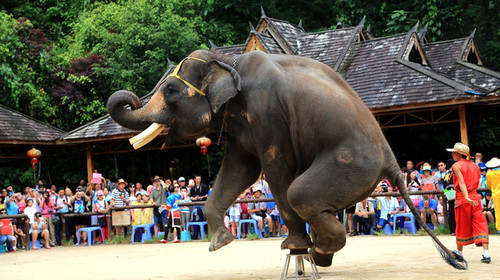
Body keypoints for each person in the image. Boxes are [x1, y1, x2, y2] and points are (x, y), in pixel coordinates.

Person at [446, 142, 490, 263]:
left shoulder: (456, 166)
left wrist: (466, 197)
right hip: (475, 197)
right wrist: (470, 197)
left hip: (463, 198)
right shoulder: (475, 166)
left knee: (461, 224)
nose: (452, 154)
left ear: (459, 154)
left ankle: (459, 252)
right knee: (480, 222)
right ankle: (486, 253)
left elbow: (462, 183)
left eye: (454, 152)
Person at [485, 157, 500, 233]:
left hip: (496, 194)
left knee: (498, 212)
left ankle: (499, 228)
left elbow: (488, 184)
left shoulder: (489, 174)